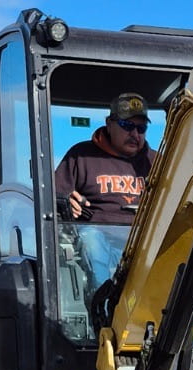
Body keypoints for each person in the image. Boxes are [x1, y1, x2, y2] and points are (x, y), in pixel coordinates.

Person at [54, 92, 157, 288]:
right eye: (127, 126)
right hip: (99, 238)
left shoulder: (157, 162)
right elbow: (52, 199)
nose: (135, 134)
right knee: (90, 239)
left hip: (144, 240)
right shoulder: (81, 156)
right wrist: (66, 201)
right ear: (110, 123)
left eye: (141, 128)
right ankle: (103, 308)